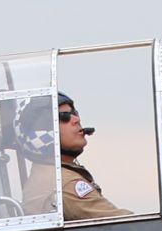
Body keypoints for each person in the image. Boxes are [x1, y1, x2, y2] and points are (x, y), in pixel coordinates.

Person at [46, 93, 129, 222]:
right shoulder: (63, 183)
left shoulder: (50, 175)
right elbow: (122, 223)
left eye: (74, 113)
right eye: (64, 117)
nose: (76, 119)